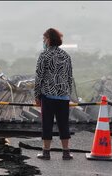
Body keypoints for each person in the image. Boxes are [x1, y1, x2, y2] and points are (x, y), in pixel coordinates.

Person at [34, 28, 74, 160]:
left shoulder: (44, 55)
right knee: (63, 124)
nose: (44, 41)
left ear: (49, 40)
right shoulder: (66, 55)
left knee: (47, 124)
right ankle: (66, 152)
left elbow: (39, 77)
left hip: (48, 96)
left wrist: (37, 95)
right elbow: (69, 77)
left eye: (44, 39)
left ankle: (46, 152)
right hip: (64, 96)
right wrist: (69, 94)